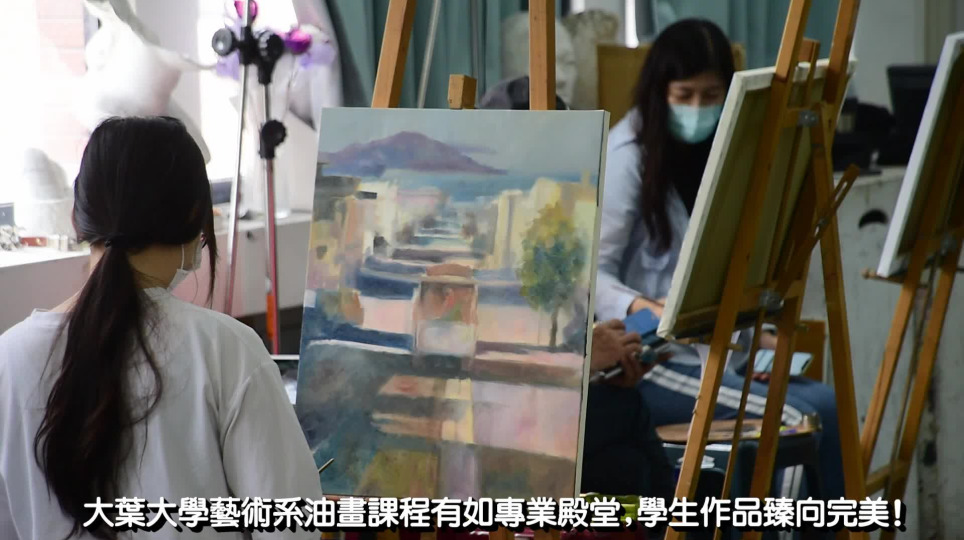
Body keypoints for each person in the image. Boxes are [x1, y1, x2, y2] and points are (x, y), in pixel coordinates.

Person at [0, 117, 322, 540]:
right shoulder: (225, 350)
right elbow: (290, 527)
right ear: (194, 216)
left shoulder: (9, 358)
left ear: (78, 217)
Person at [595, 18, 845, 500]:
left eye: (711, 96)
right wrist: (643, 308)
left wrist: (758, 335)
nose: (697, 108)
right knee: (792, 422)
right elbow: (592, 276)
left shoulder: (732, 147)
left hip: (719, 347)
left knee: (827, 405)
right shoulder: (627, 156)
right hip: (652, 357)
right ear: (659, 92)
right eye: (684, 94)